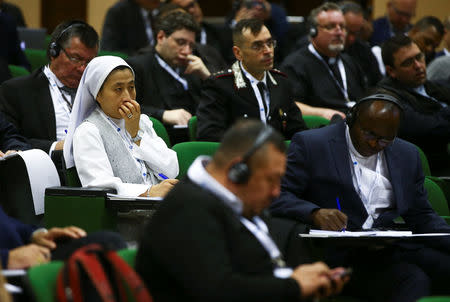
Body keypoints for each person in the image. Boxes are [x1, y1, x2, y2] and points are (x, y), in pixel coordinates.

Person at [136, 120, 349, 301]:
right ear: (238, 171)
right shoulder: (187, 209)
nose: (277, 192)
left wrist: (300, 278)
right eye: (270, 180)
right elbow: (218, 292)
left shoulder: (239, 205)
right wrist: (295, 285)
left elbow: (253, 274)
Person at [270, 94, 450, 301]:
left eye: (385, 139)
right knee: (413, 279)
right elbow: (277, 195)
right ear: (351, 119)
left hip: (390, 248)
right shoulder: (312, 145)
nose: (375, 144)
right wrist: (313, 212)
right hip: (339, 254)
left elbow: (421, 214)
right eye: (369, 134)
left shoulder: (407, 154)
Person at [64, 56, 178, 198]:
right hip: (125, 214)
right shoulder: (88, 131)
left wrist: (136, 135)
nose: (127, 96)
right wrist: (148, 192)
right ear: (98, 94)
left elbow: (171, 170)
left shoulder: (142, 121)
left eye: (131, 87)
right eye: (118, 89)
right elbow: (100, 186)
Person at [196, 19, 306, 142]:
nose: (268, 51)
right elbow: (209, 134)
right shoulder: (219, 85)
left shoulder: (281, 83)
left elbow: (297, 131)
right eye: (257, 46)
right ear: (238, 53)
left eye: (270, 43)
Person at [0, 20, 98, 154]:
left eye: (89, 62)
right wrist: (56, 147)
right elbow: (12, 141)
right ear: (54, 52)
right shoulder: (16, 91)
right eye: (75, 58)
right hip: (48, 167)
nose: (82, 69)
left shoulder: (98, 92)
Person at [127, 11, 210, 143]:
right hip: (157, 139)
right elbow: (126, 107)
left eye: (191, 45)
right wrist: (163, 114)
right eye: (181, 42)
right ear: (161, 37)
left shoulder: (195, 68)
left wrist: (207, 78)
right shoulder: (138, 66)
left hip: (197, 136)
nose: (187, 51)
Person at [378, 35, 450, 175]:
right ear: (391, 71)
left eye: (419, 57)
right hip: (429, 171)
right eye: (408, 63)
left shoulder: (429, 86)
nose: (418, 66)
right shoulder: (388, 98)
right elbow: (429, 128)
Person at [281, 2, 367, 120]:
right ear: (313, 31)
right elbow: (290, 104)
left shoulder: (349, 61)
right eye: (331, 26)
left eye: (342, 27)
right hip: (322, 127)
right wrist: (321, 113)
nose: (339, 32)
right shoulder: (295, 64)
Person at [0, 203, 126, 269]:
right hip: (8, 269)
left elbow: (5, 221)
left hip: (26, 252)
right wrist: (6, 259)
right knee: (105, 248)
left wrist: (35, 234)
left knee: (108, 242)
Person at [339, 1, 382, 86]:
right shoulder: (324, 50)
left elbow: (378, 84)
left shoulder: (364, 50)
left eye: (356, 33)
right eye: (347, 31)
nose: (351, 39)